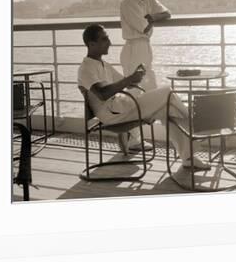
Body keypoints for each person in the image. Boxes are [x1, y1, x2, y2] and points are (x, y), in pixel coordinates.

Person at [77, 24, 210, 170]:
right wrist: (129, 79)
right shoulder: (86, 68)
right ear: (91, 44)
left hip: (123, 107)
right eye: (105, 39)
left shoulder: (104, 65)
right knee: (167, 93)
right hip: (112, 115)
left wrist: (136, 76)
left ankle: (188, 156)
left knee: (168, 108)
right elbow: (102, 93)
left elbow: (127, 83)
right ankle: (197, 128)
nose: (109, 42)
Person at [120, 0, 171, 151]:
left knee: (151, 91)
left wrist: (154, 16)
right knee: (134, 94)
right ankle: (134, 139)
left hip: (145, 49)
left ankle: (160, 134)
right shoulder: (128, 3)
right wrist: (151, 20)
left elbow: (168, 13)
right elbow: (144, 27)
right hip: (134, 49)